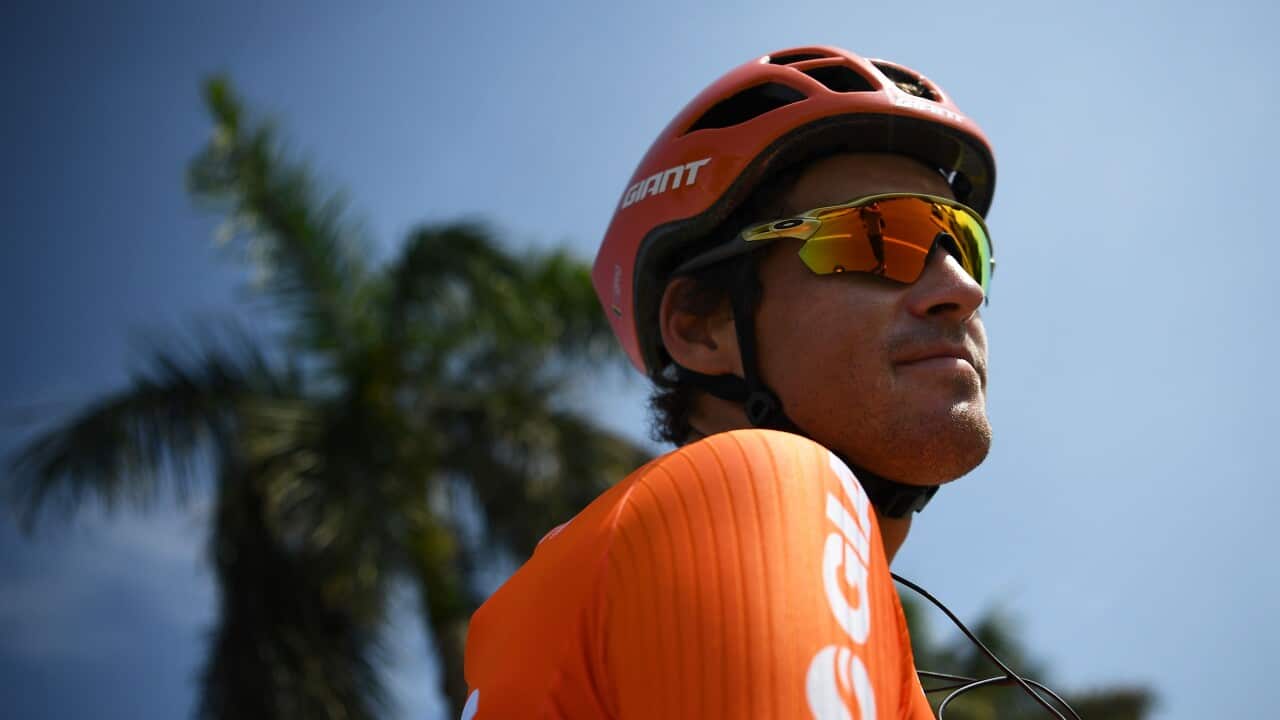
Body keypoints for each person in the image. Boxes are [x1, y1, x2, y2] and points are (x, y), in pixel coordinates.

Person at [462, 45, 997, 719]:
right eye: (878, 236)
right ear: (702, 324)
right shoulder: (755, 482)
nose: (962, 289)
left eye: (963, 244)